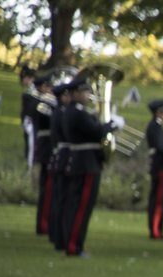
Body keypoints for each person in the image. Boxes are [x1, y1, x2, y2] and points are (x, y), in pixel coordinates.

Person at [62, 77, 115, 258]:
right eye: (85, 92)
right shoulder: (77, 113)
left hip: (83, 162)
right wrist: (111, 125)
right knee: (82, 207)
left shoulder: (76, 112)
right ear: (75, 93)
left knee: (78, 206)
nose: (88, 95)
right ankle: (74, 245)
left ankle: (74, 244)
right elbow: (97, 132)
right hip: (86, 164)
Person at [145, 99, 163, 240]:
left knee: (160, 199)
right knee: (159, 200)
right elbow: (160, 147)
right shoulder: (155, 127)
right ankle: (156, 230)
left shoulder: (157, 126)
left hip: (161, 166)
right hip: (161, 166)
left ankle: (157, 229)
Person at [48, 80, 72, 251]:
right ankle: (60, 237)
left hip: (60, 156)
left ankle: (57, 235)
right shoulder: (61, 113)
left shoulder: (59, 112)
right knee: (62, 199)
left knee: (59, 199)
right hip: (64, 157)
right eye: (67, 95)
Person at [32, 74, 55, 236]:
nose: (51, 90)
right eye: (48, 87)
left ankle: (47, 223)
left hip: (49, 150)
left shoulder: (48, 103)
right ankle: (43, 225)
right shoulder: (41, 104)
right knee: (47, 190)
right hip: (47, 150)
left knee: (50, 191)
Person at [20, 66, 37, 169]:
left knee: (30, 143)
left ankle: (30, 164)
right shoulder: (28, 90)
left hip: (30, 121)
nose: (23, 81)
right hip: (26, 120)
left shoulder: (32, 91)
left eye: (25, 78)